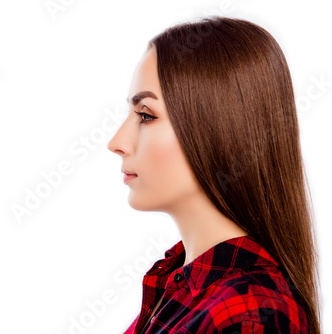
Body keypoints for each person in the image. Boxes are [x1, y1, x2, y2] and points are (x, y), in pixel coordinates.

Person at [107, 16, 321, 334]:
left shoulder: (252, 314)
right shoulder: (175, 284)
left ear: (219, 128)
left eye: (146, 116)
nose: (117, 143)